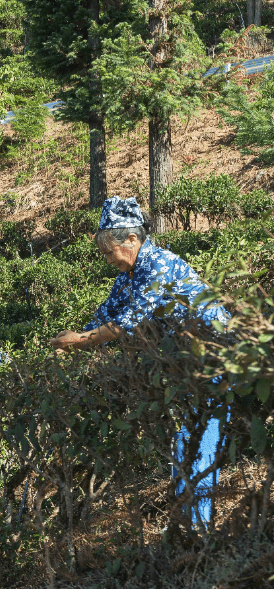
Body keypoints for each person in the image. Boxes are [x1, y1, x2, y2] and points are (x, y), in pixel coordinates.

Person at [48, 196, 231, 527]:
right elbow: (104, 316)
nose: (107, 259)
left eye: (109, 251)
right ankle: (186, 527)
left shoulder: (158, 265)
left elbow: (123, 324)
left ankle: (200, 530)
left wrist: (81, 340)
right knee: (184, 442)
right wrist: (72, 339)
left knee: (199, 444)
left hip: (213, 361)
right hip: (185, 366)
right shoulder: (127, 275)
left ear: (132, 239)